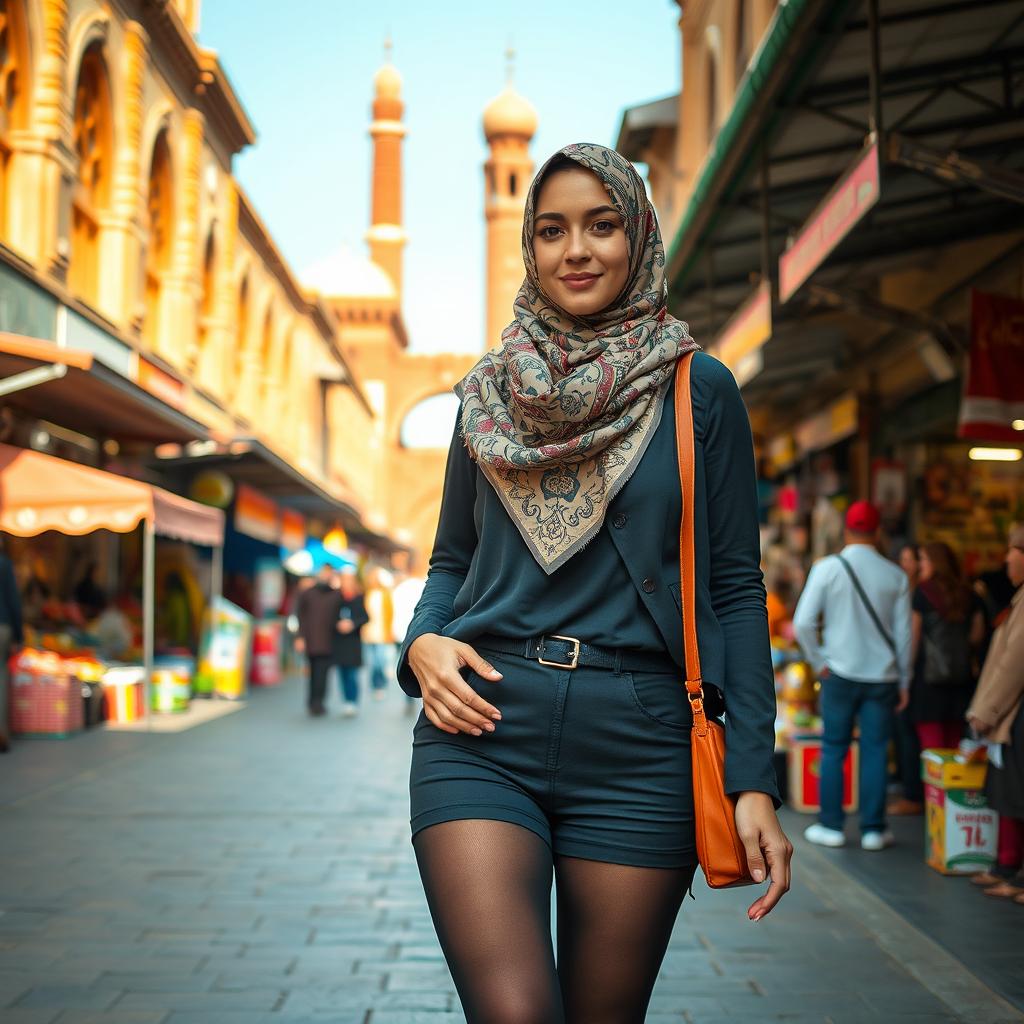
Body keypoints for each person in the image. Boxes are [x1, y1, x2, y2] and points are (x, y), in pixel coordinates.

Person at [396, 143, 791, 1023]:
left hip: (641, 743)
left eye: (601, 225)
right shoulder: (487, 394)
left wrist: (753, 776)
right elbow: (451, 561)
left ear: (638, 235)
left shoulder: (700, 390)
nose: (576, 249)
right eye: (552, 229)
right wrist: (419, 643)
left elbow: (734, 588)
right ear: (530, 250)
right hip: (483, 726)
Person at [793, 500, 912, 851]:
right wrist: (904, 680)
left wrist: (819, 662)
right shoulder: (896, 576)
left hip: (839, 674)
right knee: (875, 750)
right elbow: (904, 637)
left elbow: (802, 624)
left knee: (834, 748)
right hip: (883, 679)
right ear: (877, 533)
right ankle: (874, 830)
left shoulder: (827, 568)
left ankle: (831, 826)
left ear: (846, 530)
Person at [965, 525, 1024, 902]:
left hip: (1015, 712)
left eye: (1013, 551)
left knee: (1017, 792)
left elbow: (1012, 665)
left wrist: (984, 711)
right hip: (1012, 711)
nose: (1006, 559)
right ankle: (1009, 868)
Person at [909, 542, 985, 752]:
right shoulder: (969, 593)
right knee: (954, 753)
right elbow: (976, 636)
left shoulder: (922, 593)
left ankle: (934, 788)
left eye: (923, 559)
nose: (919, 564)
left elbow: (913, 638)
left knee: (932, 755)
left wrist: (906, 677)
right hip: (961, 683)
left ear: (936, 563)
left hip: (928, 684)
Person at [889, 543, 924, 816]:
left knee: (908, 732)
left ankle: (913, 792)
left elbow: (906, 639)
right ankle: (908, 785)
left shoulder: (918, 593)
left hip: (914, 673)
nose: (906, 564)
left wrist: (904, 677)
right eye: (902, 558)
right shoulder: (901, 586)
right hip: (904, 670)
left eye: (911, 558)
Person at [294, 564, 343, 717]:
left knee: (323, 674)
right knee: (313, 672)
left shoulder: (336, 595)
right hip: (311, 640)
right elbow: (300, 615)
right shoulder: (308, 593)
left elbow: (342, 615)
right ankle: (312, 701)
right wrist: (300, 637)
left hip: (329, 642)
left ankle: (319, 702)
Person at [333, 566, 369, 718]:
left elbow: (366, 617)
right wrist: (338, 624)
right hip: (340, 642)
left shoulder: (359, 597)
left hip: (353, 642)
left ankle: (353, 700)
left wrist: (352, 624)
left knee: (352, 674)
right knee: (342, 672)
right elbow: (330, 616)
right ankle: (346, 700)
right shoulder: (336, 597)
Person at [0, 539, 23, 753]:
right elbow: (13, 600)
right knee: (1, 680)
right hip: (2, 625)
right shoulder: (4, 564)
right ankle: (2, 734)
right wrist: (19, 635)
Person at [362, 567, 395, 701]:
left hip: (381, 631)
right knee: (371, 662)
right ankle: (375, 685)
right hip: (368, 632)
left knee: (379, 661)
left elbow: (390, 613)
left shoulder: (385, 594)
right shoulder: (367, 593)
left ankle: (380, 684)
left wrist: (389, 631)